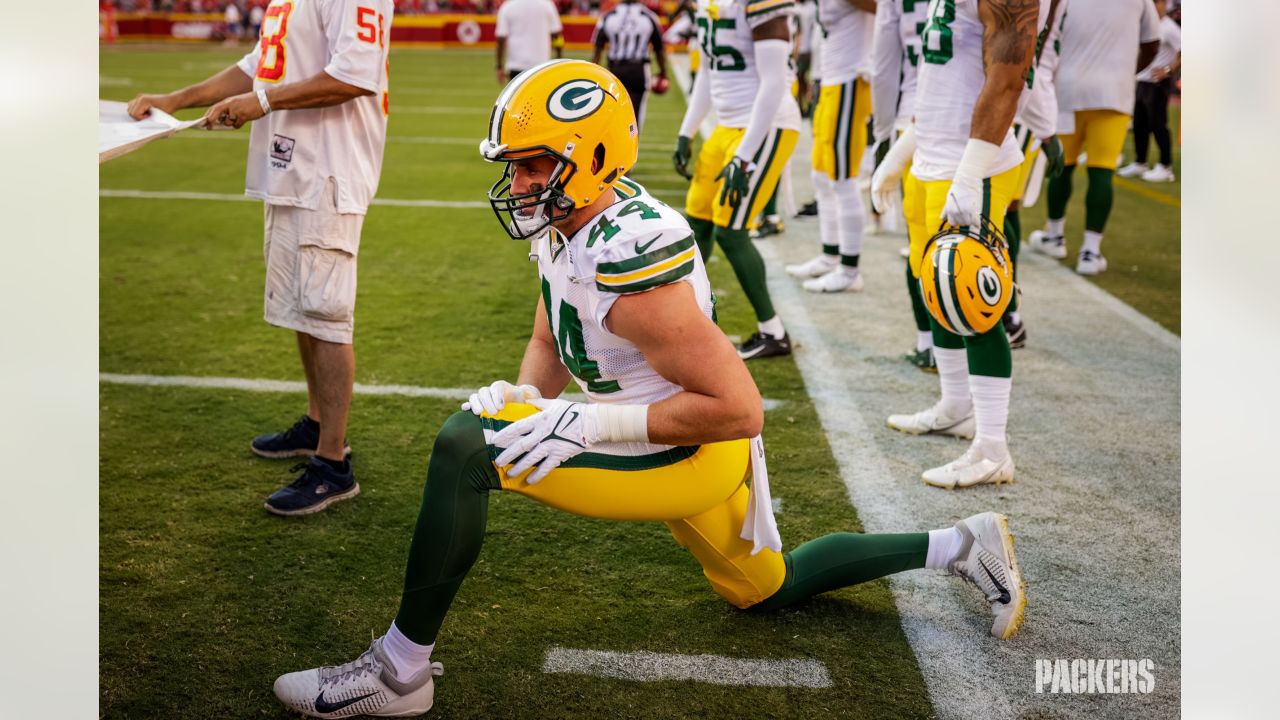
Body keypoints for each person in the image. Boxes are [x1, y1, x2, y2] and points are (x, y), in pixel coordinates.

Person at [269, 60, 1028, 718]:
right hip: (663, 431)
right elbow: (548, 336)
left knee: (465, 449)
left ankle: (399, 672)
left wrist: (588, 426)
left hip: (693, 449)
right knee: (765, 588)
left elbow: (738, 409)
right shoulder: (568, 224)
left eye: (533, 164)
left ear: (590, 156)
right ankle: (963, 543)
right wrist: (536, 400)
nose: (518, 181)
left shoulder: (630, 259)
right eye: (513, 164)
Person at [128, 0, 395, 515]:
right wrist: (177, 98)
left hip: (329, 171)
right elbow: (258, 64)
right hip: (292, 167)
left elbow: (354, 74)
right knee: (302, 308)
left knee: (326, 315)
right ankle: (316, 424)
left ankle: (333, 464)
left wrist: (263, 103)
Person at [871, 0, 1055, 489]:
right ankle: (956, 407)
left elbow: (1009, 78)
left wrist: (971, 173)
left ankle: (993, 448)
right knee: (936, 289)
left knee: (973, 297)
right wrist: (903, 151)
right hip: (930, 157)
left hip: (975, 162)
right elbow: (943, 83)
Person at [673, 0, 802, 359]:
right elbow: (709, 71)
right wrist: (688, 130)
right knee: (696, 224)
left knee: (731, 231)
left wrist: (744, 155)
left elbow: (775, 83)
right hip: (728, 125)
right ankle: (693, 321)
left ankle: (773, 331)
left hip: (768, 125)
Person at [1027, 0, 1160, 275]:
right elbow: (1152, 43)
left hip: (1067, 88)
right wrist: (1126, 71)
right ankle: (1090, 250)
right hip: (1114, 92)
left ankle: (1054, 235)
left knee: (1062, 167)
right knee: (1102, 169)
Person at [784, 0, 875, 294]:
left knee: (842, 179)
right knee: (821, 177)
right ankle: (829, 255)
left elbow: (886, 11)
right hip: (830, 80)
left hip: (850, 80)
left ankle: (850, 270)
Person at [1000, 0, 1068, 350]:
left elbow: (1029, 51)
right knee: (997, 211)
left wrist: (1046, 129)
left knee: (1003, 210)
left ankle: (1008, 312)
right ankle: (1001, 308)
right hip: (1019, 91)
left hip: (1022, 98)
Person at [871, 0, 932, 370]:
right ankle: (1005, 317)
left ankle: (929, 341)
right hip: (982, 122)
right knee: (985, 234)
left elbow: (883, 66)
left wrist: (881, 132)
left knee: (921, 245)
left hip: (914, 120)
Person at [1118, 0, 1181, 183]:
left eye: (1157, 3)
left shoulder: (1169, 28)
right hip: (1143, 80)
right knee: (1140, 125)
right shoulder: (1149, 24)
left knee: (1158, 125)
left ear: (1163, 4)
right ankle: (1140, 162)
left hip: (1157, 83)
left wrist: (1168, 71)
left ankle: (1166, 166)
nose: (1154, 7)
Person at [590, 0, 669, 133]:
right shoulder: (648, 16)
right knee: (636, 115)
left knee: (612, 114)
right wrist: (663, 72)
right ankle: (632, 148)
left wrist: (594, 74)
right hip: (638, 70)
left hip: (615, 70)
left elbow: (598, 48)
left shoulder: (609, 15)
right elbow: (659, 49)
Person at [494, 0, 563, 84]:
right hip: (541, 66)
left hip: (516, 66)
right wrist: (559, 61)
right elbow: (556, 35)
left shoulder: (508, 6)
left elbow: (501, 38)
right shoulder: (547, 4)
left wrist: (499, 66)